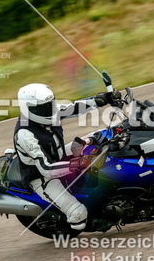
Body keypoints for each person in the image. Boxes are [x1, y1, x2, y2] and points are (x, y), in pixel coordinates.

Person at [14, 83, 120, 230]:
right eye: (44, 108)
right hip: (42, 177)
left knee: (98, 137)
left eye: (50, 105)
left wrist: (100, 100)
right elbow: (46, 168)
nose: (50, 110)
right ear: (29, 109)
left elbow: (75, 107)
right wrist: (77, 163)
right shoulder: (25, 135)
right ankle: (87, 221)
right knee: (79, 214)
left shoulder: (49, 112)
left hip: (58, 155)